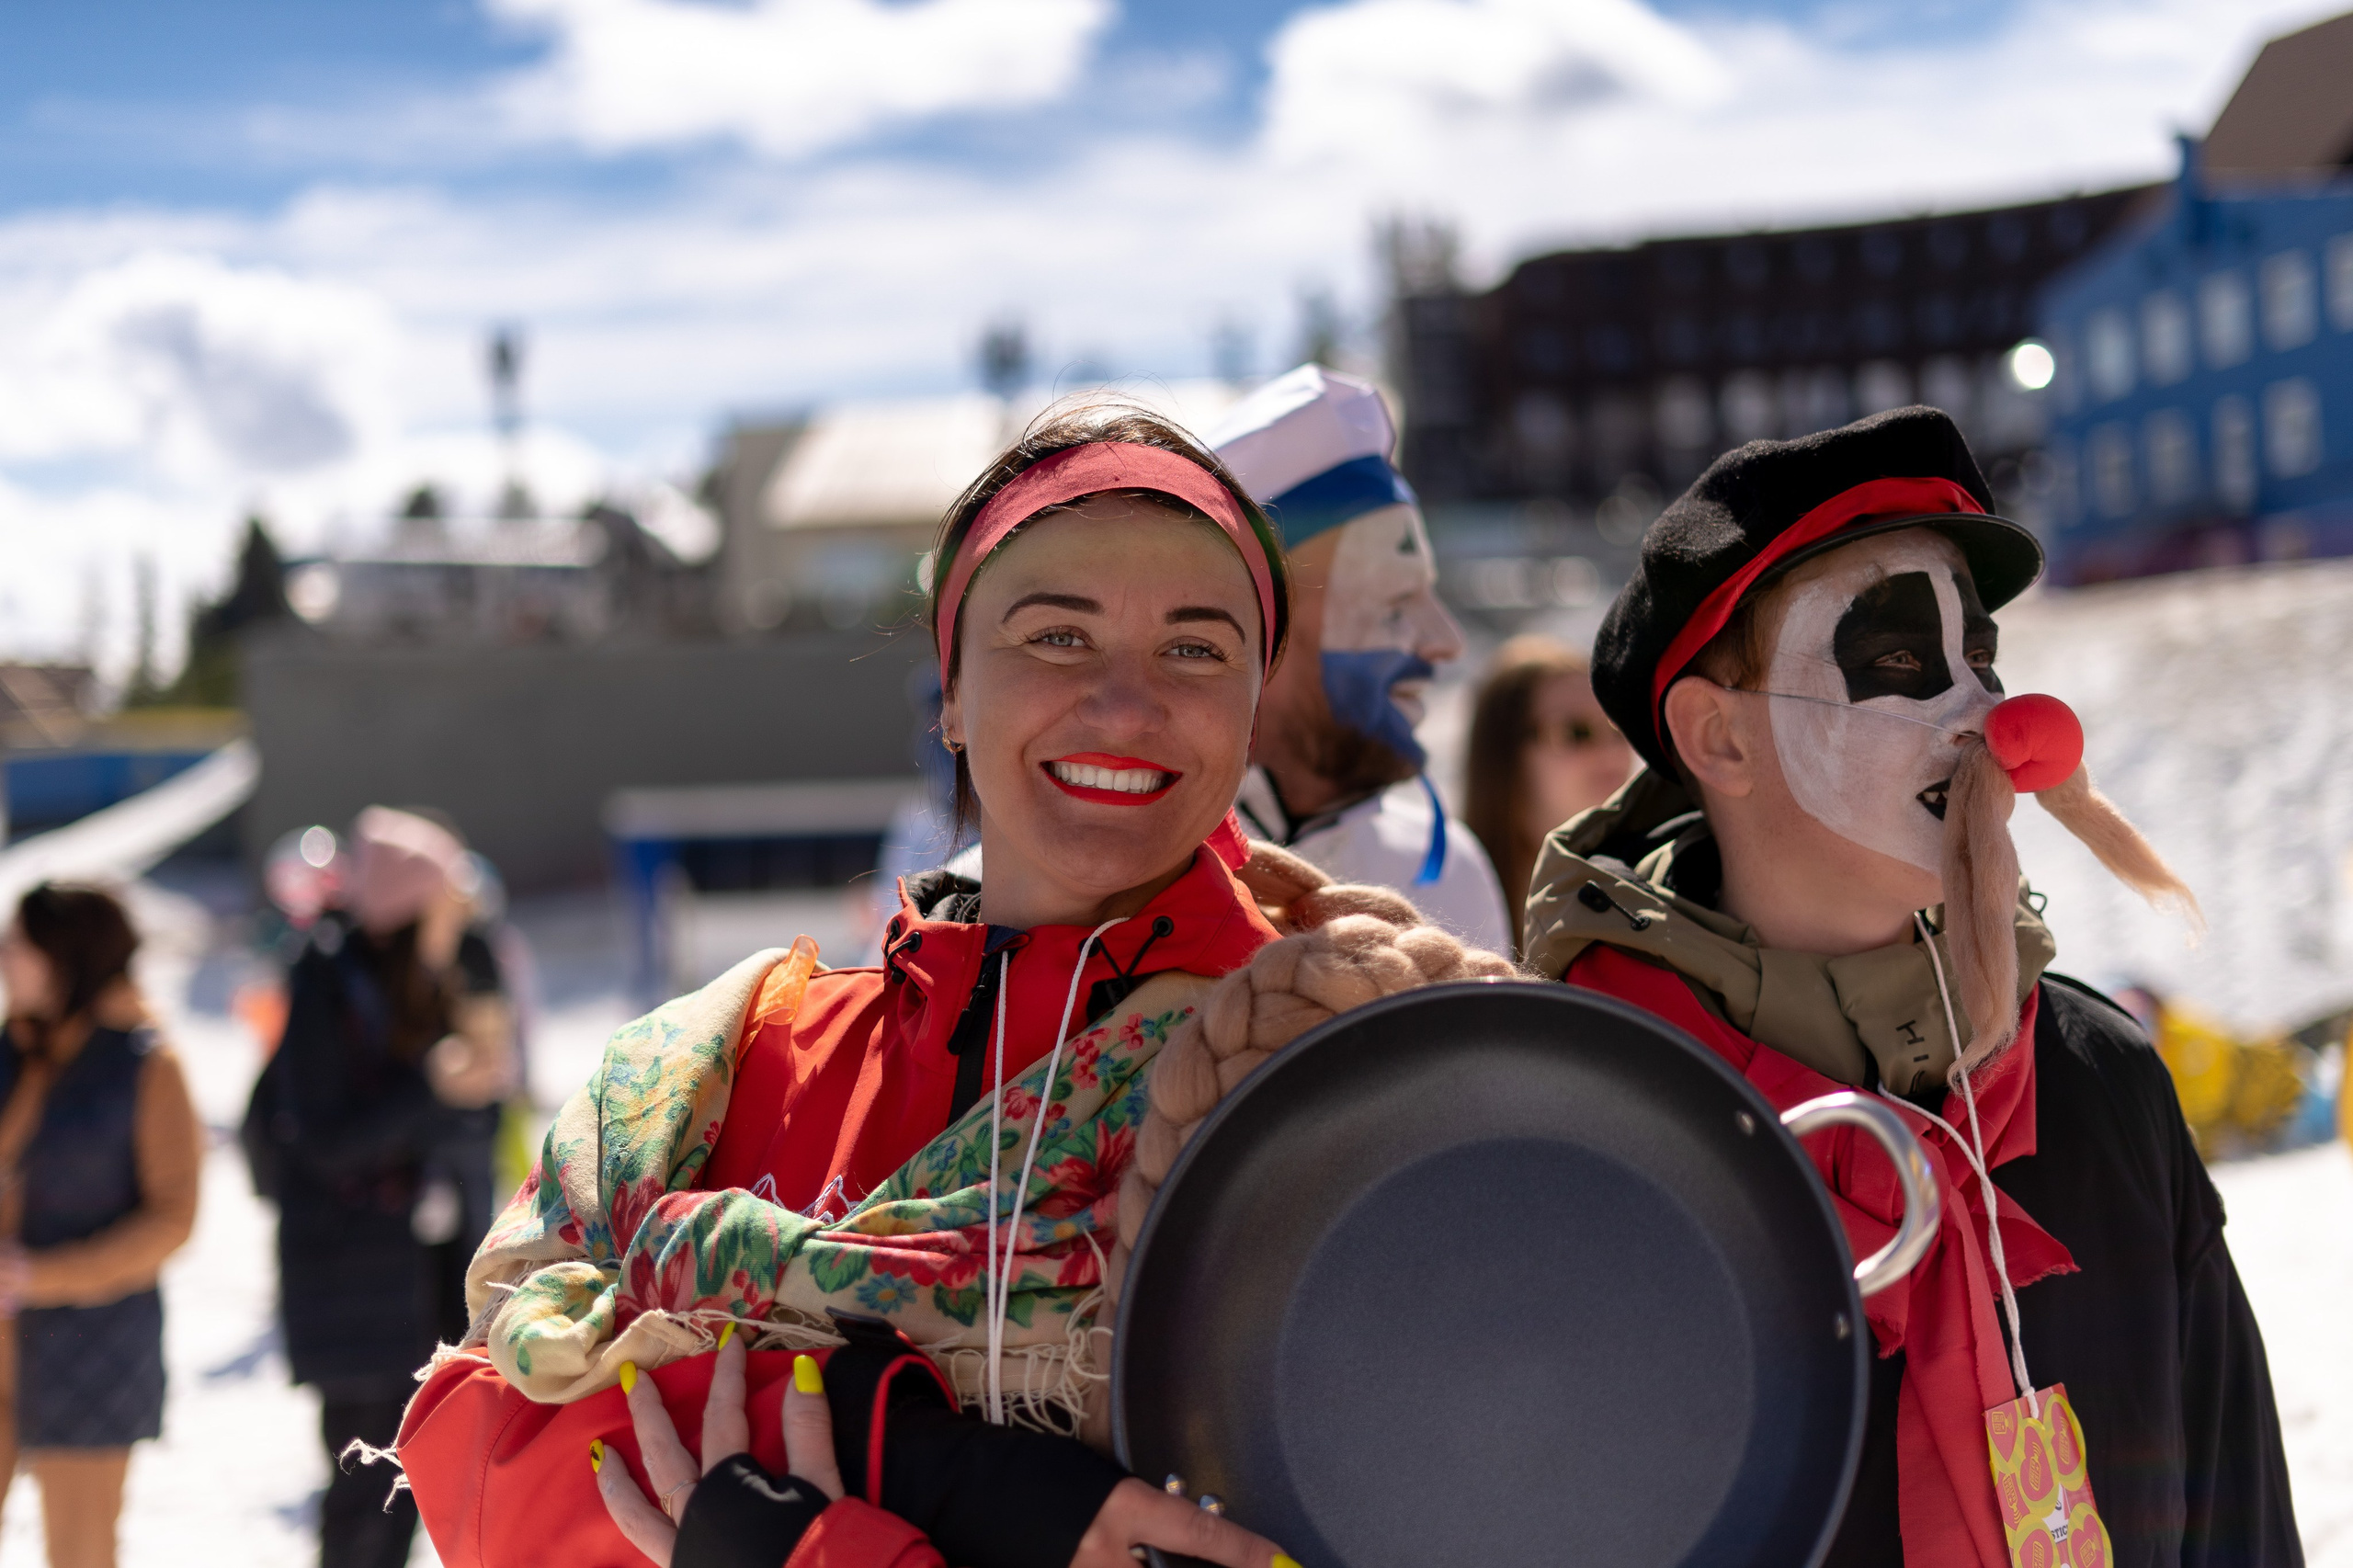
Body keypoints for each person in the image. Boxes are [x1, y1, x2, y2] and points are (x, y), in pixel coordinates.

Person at [399, 404, 1316, 1568]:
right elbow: (484, 1457)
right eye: (1055, 635)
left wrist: (798, 1508)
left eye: (1196, 649)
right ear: (950, 696)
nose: (1126, 704)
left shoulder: (1327, 1080)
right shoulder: (732, 1063)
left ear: (1252, 704)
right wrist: (908, 1456)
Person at [1521, 406, 2301, 1565]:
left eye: (1980, 657)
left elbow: (2237, 1522)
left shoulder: (2099, 1080)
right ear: (1717, 738)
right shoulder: (1579, 1133)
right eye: (1900, 661)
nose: (1988, 718)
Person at [256, 808, 515, 1568]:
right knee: (362, 1491)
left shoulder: (438, 981)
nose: (461, 919)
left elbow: (466, 1127)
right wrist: (432, 1084)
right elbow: (325, 1140)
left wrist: (477, 1085)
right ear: (408, 911)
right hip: (351, 1279)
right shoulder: (328, 983)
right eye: (447, 904)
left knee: (416, 1483)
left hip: (427, 1275)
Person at [1205, 364, 1512, 952]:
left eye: (1428, 596)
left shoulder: (1450, 870)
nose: (1446, 642)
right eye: (1395, 604)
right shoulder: (1126, 879)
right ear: (1263, 633)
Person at [0, 883, 202, 1568]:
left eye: (20, 944)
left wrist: (42, 1276)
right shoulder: (13, 1047)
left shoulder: (149, 1065)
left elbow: (173, 1219)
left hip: (91, 1351)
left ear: (67, 957)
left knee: (80, 1555)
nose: (5, 958)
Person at [1462, 635, 1635, 954]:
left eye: (1617, 728)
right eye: (1575, 732)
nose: (1610, 753)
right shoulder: (1444, 897)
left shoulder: (1656, 893)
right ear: (1504, 754)